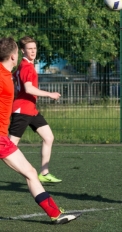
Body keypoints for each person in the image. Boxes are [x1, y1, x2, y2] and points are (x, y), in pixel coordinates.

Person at [0, 36, 81, 224]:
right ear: (14, 56)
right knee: (30, 172)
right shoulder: (5, 78)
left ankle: (55, 214)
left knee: (30, 171)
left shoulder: (9, 74)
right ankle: (54, 214)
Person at [8, 36, 62, 183]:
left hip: (31, 110)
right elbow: (29, 88)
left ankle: (44, 173)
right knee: (9, 147)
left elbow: (13, 80)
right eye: (29, 49)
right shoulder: (27, 67)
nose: (33, 51)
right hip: (22, 110)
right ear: (23, 51)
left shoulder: (21, 66)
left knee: (48, 137)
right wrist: (50, 94)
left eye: (34, 48)